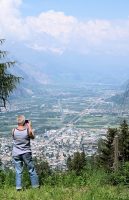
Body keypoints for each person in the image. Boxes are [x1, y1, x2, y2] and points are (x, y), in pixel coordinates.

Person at [12, 115, 39, 191]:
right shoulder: (27, 130)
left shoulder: (13, 130)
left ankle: (18, 188)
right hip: (26, 153)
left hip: (16, 153)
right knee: (31, 169)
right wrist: (29, 126)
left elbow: (15, 138)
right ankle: (35, 187)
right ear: (24, 122)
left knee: (18, 171)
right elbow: (32, 137)